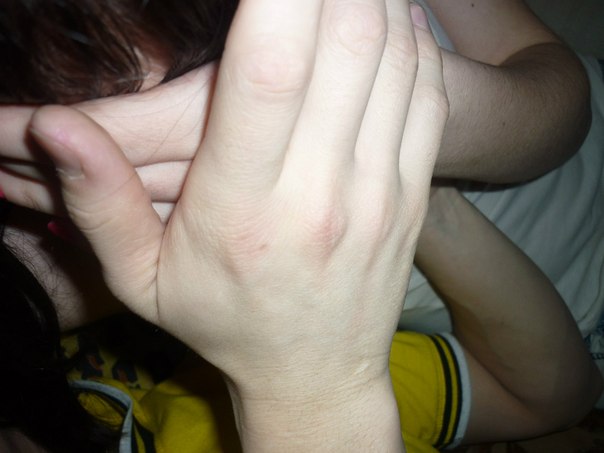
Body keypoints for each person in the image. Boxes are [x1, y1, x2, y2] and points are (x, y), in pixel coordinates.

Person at [0, 0, 600, 451]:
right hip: (565, 304)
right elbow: (552, 390)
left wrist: (420, 119)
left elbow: (565, 103)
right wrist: (307, 390)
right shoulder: (47, 236)